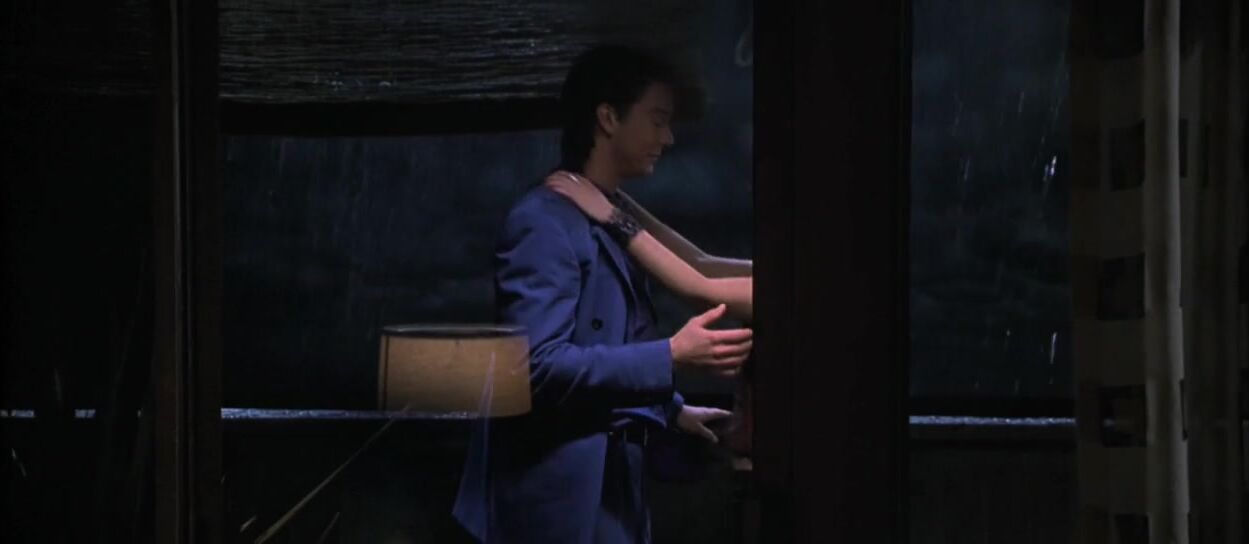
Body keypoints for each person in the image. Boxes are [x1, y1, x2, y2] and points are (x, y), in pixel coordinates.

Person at [452, 45, 753, 543]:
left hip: (609, 492)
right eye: (657, 120)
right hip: (557, 500)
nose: (667, 137)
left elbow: (624, 328)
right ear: (609, 118)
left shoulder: (607, 214)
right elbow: (535, 368)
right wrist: (670, 356)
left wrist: (668, 409)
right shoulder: (545, 222)